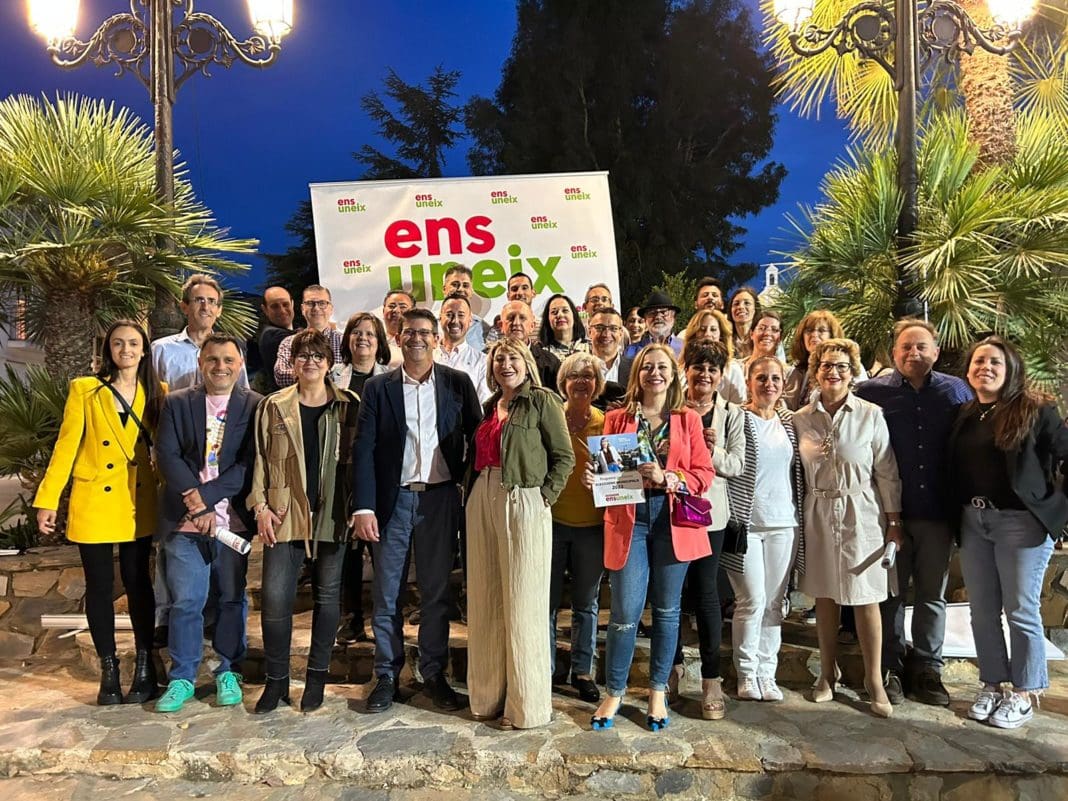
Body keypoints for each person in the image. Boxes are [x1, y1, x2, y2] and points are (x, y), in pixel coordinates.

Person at [353, 309, 482, 714]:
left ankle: (433, 673)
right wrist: (364, 506)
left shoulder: (457, 383)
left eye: (425, 332)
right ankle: (386, 675)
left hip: (440, 500)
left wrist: (471, 490)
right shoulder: (378, 388)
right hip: (392, 501)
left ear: (437, 338)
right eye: (410, 332)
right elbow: (364, 449)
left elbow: (479, 438)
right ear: (398, 336)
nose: (417, 339)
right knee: (387, 594)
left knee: (436, 592)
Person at [35, 320, 165, 705]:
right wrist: (47, 499)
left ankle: (145, 666)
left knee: (138, 583)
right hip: (94, 497)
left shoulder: (158, 391)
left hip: (137, 498)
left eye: (133, 343)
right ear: (108, 349)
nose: (126, 349)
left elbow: (166, 448)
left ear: (144, 350)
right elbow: (66, 447)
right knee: (99, 586)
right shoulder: (85, 390)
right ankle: (109, 670)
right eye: (118, 343)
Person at [586, 344, 714, 731]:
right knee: (624, 613)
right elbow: (609, 473)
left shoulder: (687, 419)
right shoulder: (617, 419)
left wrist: (668, 477)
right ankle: (615, 691)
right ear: (637, 374)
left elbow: (703, 475)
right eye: (647, 367)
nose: (654, 373)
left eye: (662, 367)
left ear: (673, 375)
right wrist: (596, 481)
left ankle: (658, 689)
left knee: (667, 612)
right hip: (630, 520)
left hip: (671, 520)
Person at [948, 335, 1068, 729]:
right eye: (979, 361)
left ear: (1011, 368)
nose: (985, 367)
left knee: (1020, 610)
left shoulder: (1036, 409)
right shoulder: (967, 413)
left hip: (1021, 523)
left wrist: (1056, 510)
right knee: (982, 611)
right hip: (974, 521)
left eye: (995, 362)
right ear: (969, 370)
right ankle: (991, 683)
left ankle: (1024, 692)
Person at [855, 319, 971, 706]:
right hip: (889, 515)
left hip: (937, 513)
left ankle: (927, 668)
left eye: (921, 346)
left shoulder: (956, 392)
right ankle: (890, 665)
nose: (913, 353)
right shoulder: (872, 393)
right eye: (905, 347)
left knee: (931, 594)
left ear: (936, 351)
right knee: (890, 594)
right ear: (894, 353)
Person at [248, 329, 360, 714]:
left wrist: (358, 506)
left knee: (327, 598)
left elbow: (360, 461)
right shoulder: (273, 406)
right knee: (276, 600)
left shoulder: (349, 405)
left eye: (317, 356)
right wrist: (260, 507)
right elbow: (259, 459)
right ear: (292, 363)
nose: (310, 362)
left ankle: (316, 679)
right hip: (283, 513)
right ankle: (276, 681)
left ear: (329, 363)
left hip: (332, 513)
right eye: (303, 356)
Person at [467, 338, 574, 728]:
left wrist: (544, 497)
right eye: (499, 358)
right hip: (483, 493)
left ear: (527, 363)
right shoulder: (489, 406)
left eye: (513, 357)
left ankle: (526, 707)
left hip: (524, 497)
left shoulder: (542, 401)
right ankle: (487, 697)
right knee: (485, 598)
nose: (506, 364)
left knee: (523, 603)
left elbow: (564, 457)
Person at [794, 338, 902, 718]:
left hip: (862, 512)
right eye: (826, 365)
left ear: (853, 371)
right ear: (816, 371)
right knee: (825, 597)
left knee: (865, 597)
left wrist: (894, 522)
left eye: (841, 366)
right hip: (818, 511)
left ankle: (874, 679)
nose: (833, 372)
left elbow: (887, 472)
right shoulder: (800, 418)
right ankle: (827, 674)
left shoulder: (871, 414)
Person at [153, 335, 262, 712]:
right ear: (200, 363)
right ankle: (182, 676)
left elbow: (250, 463)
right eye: (213, 359)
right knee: (187, 601)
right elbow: (166, 454)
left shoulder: (255, 404)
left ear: (240, 363)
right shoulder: (177, 402)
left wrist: (209, 496)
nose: (221, 366)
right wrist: (195, 502)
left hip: (233, 522)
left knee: (232, 598)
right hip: (184, 521)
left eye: (229, 359)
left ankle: (229, 671)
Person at [151, 274, 248, 643]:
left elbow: (241, 408)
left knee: (224, 582)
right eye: (198, 300)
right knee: (174, 548)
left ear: (219, 309)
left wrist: (206, 495)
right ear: (185, 306)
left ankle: (220, 640)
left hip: (219, 469)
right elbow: (151, 401)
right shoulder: (162, 350)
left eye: (211, 301)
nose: (204, 306)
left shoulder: (229, 351)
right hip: (178, 458)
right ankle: (165, 620)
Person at [721, 355, 804, 705]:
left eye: (775, 379)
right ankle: (745, 672)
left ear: (783, 384)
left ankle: (767, 672)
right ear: (749, 382)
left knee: (773, 603)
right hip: (745, 524)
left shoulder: (790, 422)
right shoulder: (736, 417)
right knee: (751, 600)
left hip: (784, 522)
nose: (768, 384)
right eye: (761, 378)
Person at [669, 341, 745, 719]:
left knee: (706, 594)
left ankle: (711, 679)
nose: (704, 374)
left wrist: (710, 450)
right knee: (669, 595)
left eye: (712, 369)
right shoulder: (671, 405)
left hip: (708, 514)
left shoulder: (731, 414)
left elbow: (737, 464)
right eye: (698, 367)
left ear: (720, 375)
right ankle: (671, 668)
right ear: (687, 370)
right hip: (670, 510)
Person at [330, 312, 391, 645]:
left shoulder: (391, 378)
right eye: (356, 332)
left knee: (382, 550)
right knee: (346, 551)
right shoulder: (332, 377)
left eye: (370, 333)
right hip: (340, 473)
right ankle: (350, 619)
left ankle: (386, 622)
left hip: (378, 475)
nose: (363, 338)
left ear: (380, 342)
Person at [549, 352, 607, 703]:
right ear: (564, 383)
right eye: (574, 376)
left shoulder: (608, 424)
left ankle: (583, 671)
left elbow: (619, 482)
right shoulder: (551, 418)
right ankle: (546, 668)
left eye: (588, 376)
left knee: (587, 603)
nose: (581, 382)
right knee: (547, 603)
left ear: (597, 384)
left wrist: (599, 483)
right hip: (553, 522)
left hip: (592, 526)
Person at [783, 310, 868, 411]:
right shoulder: (798, 369)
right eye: (809, 330)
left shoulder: (850, 366)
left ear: (832, 336)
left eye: (821, 330)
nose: (814, 334)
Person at [274, 285, 344, 389]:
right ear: (302, 309)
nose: (316, 308)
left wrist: (305, 373)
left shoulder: (344, 341)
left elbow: (353, 372)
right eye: (310, 303)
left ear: (331, 309)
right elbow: (281, 375)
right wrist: (329, 376)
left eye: (322, 303)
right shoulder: (289, 342)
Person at [435, 293, 491, 402]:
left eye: (461, 315)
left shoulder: (482, 361)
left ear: (470, 320)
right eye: (449, 314)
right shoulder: (427, 356)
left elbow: (483, 404)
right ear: (440, 318)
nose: (455, 321)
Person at [680, 308, 745, 403]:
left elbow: (739, 404)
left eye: (713, 329)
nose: (707, 334)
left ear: (721, 334)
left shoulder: (733, 369)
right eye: (702, 329)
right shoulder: (680, 369)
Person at [499, 299, 561, 392]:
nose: (516, 323)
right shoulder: (488, 360)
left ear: (532, 326)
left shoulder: (550, 362)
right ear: (501, 326)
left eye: (522, 318)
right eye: (511, 318)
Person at [587, 307, 632, 409]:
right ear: (589, 332)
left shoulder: (635, 368)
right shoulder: (578, 369)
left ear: (621, 333)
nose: (606, 334)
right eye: (599, 328)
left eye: (613, 328)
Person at [254, 286, 295, 394]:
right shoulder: (272, 336)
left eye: (285, 304)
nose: (282, 310)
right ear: (265, 310)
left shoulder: (291, 333)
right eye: (275, 306)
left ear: (292, 304)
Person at [443, 264, 491, 351]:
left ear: (471, 291)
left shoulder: (483, 327)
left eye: (465, 285)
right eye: (455, 284)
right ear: (444, 289)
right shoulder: (430, 322)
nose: (460, 289)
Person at [540, 293, 589, 359]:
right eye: (554, 312)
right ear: (547, 319)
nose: (560, 315)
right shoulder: (542, 354)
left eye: (565, 310)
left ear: (574, 315)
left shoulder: (590, 347)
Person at [381, 290, 416, 363]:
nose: (396, 310)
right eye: (391, 306)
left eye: (403, 307)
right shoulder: (375, 341)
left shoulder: (421, 341)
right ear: (383, 311)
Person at [727, 287, 760, 360]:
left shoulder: (765, 337)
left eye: (747, 303)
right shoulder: (724, 340)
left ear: (755, 309)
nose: (741, 307)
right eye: (736, 304)